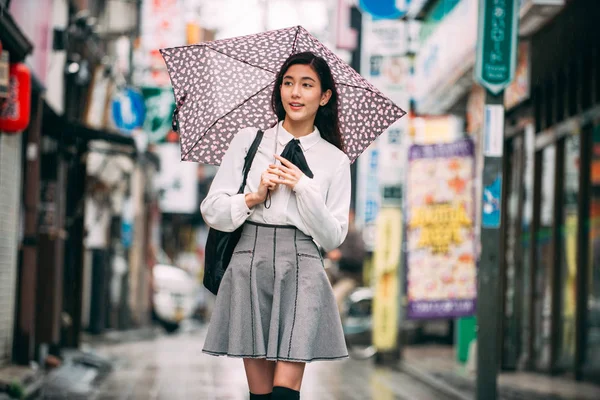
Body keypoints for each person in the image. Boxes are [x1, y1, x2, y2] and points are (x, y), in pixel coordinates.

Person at [200, 52, 351, 400]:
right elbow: (212, 209)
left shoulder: (335, 160)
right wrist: (253, 197)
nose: (295, 93)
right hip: (249, 260)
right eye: (288, 82)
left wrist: (302, 187)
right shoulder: (249, 141)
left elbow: (332, 236)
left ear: (324, 96)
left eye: (307, 85)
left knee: (286, 390)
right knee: (261, 392)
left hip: (302, 266)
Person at [327, 209, 366, 314]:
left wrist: (341, 256)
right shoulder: (335, 233)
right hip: (336, 275)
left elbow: (359, 258)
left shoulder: (355, 235)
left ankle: (337, 329)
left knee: (335, 298)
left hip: (351, 277)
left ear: (351, 215)